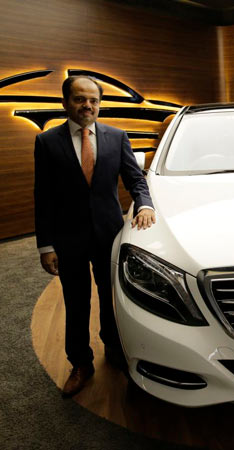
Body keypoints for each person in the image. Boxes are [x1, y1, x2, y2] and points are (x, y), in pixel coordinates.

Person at [34, 75, 156, 397]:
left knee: (111, 297)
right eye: (80, 99)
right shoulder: (46, 142)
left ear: (99, 104)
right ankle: (80, 363)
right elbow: (43, 197)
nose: (87, 105)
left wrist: (144, 205)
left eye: (93, 100)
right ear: (65, 103)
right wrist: (46, 245)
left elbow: (135, 179)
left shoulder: (117, 137)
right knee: (76, 302)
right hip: (68, 238)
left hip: (109, 235)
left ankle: (114, 348)